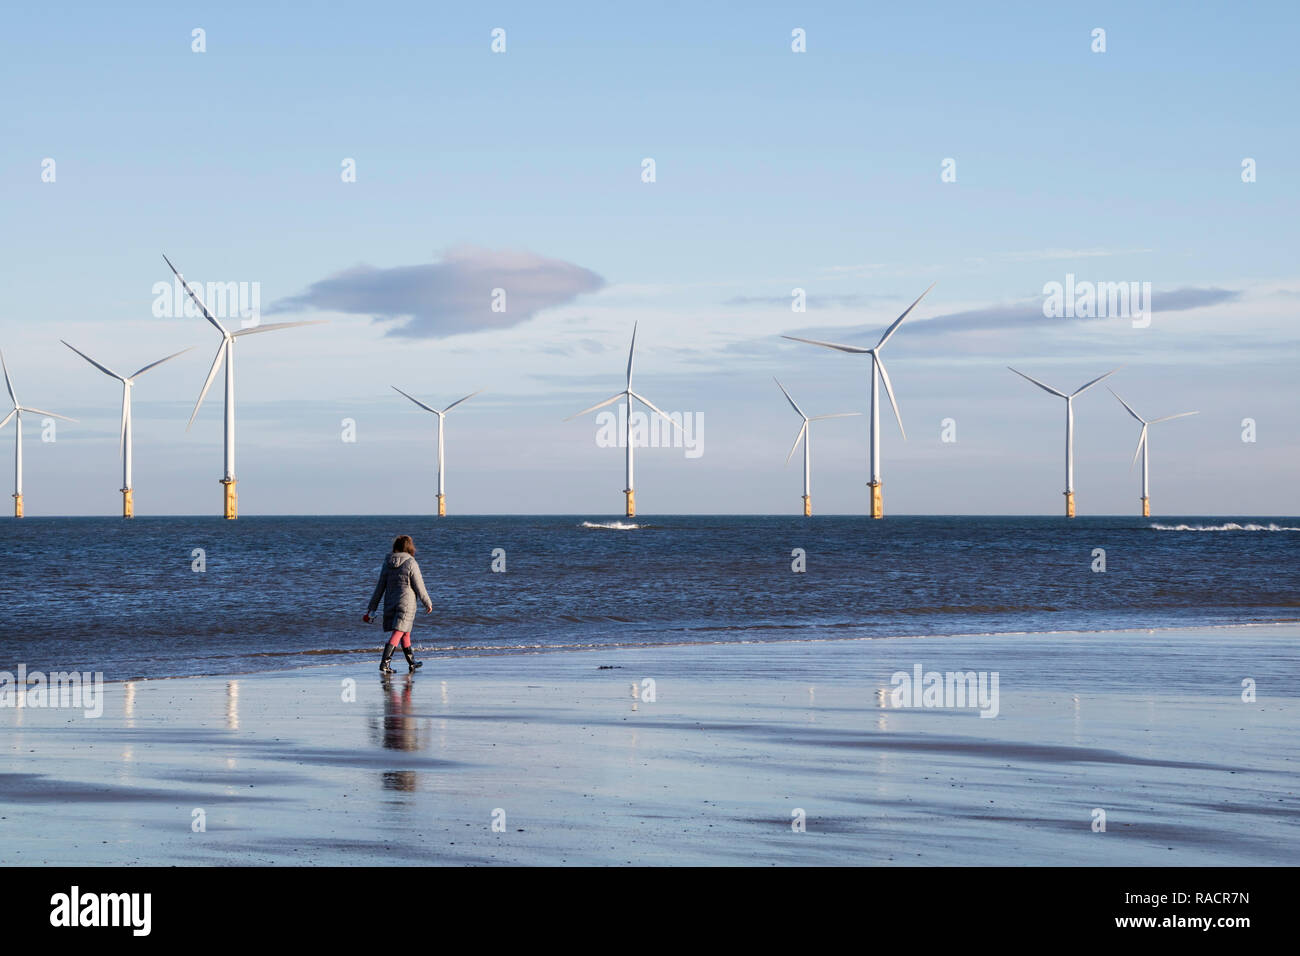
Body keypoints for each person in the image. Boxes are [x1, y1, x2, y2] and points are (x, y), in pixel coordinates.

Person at [364, 534, 433, 674]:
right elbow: (419, 586)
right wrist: (427, 603)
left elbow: (380, 587)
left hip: (391, 602)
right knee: (399, 632)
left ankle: (412, 662)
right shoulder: (411, 562)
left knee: (405, 632)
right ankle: (385, 663)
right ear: (409, 547)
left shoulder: (387, 563)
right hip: (406, 603)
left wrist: (372, 608)